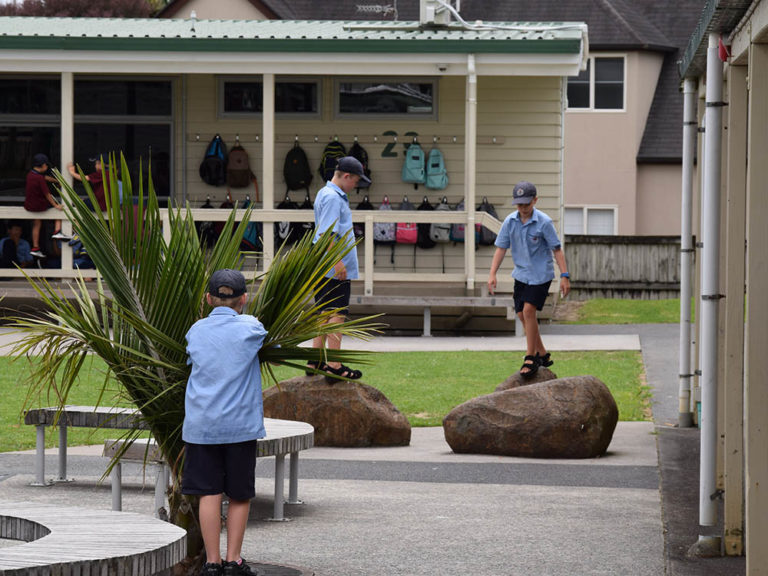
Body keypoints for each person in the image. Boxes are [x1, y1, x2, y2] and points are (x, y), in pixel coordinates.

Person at [181, 269, 267, 576]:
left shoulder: (195, 330)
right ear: (244, 299)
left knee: (209, 493)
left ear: (207, 299)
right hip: (239, 426)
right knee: (239, 493)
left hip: (202, 425)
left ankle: (212, 563)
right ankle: (234, 561)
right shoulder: (252, 328)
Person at [488, 180, 570, 377]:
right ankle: (542, 353)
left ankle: (530, 357)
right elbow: (501, 248)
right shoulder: (510, 221)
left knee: (528, 310)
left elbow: (557, 250)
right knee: (521, 314)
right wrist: (492, 273)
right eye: (519, 204)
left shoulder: (544, 222)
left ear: (535, 200)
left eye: (527, 203)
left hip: (541, 274)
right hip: (522, 274)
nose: (523, 208)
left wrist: (564, 276)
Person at [310, 156, 371, 382]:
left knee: (324, 312)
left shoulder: (324, 194)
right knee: (337, 313)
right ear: (346, 176)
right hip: (333, 266)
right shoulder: (334, 198)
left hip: (323, 264)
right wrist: (337, 261)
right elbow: (326, 233)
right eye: (355, 181)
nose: (356, 186)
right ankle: (333, 364)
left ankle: (315, 358)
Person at [24, 153, 63, 258]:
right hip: (39, 206)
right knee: (58, 212)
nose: (47, 167)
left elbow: (44, 177)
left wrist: (57, 181)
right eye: (46, 166)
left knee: (37, 223)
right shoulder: (40, 179)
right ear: (43, 165)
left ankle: (35, 247)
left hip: (29, 206)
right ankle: (57, 231)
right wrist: (55, 205)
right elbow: (47, 194)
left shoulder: (30, 175)